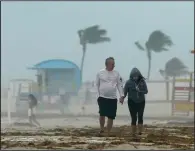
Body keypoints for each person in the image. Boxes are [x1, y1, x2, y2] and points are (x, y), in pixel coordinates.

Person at [96, 57, 124, 136]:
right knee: (102, 114)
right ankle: (102, 129)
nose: (114, 65)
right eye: (112, 64)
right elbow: (97, 85)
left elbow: (119, 84)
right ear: (107, 64)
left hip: (113, 98)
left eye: (114, 64)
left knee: (111, 116)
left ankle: (108, 132)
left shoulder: (116, 73)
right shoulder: (100, 73)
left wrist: (121, 96)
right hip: (102, 97)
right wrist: (98, 95)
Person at [120, 68, 148, 136]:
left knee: (140, 116)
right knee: (134, 117)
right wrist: (122, 98)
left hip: (141, 102)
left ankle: (140, 132)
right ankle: (133, 132)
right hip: (132, 102)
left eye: (137, 75)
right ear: (131, 75)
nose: (135, 77)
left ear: (139, 75)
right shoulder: (128, 82)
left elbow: (146, 91)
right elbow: (125, 92)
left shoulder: (142, 82)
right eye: (134, 76)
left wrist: (140, 91)